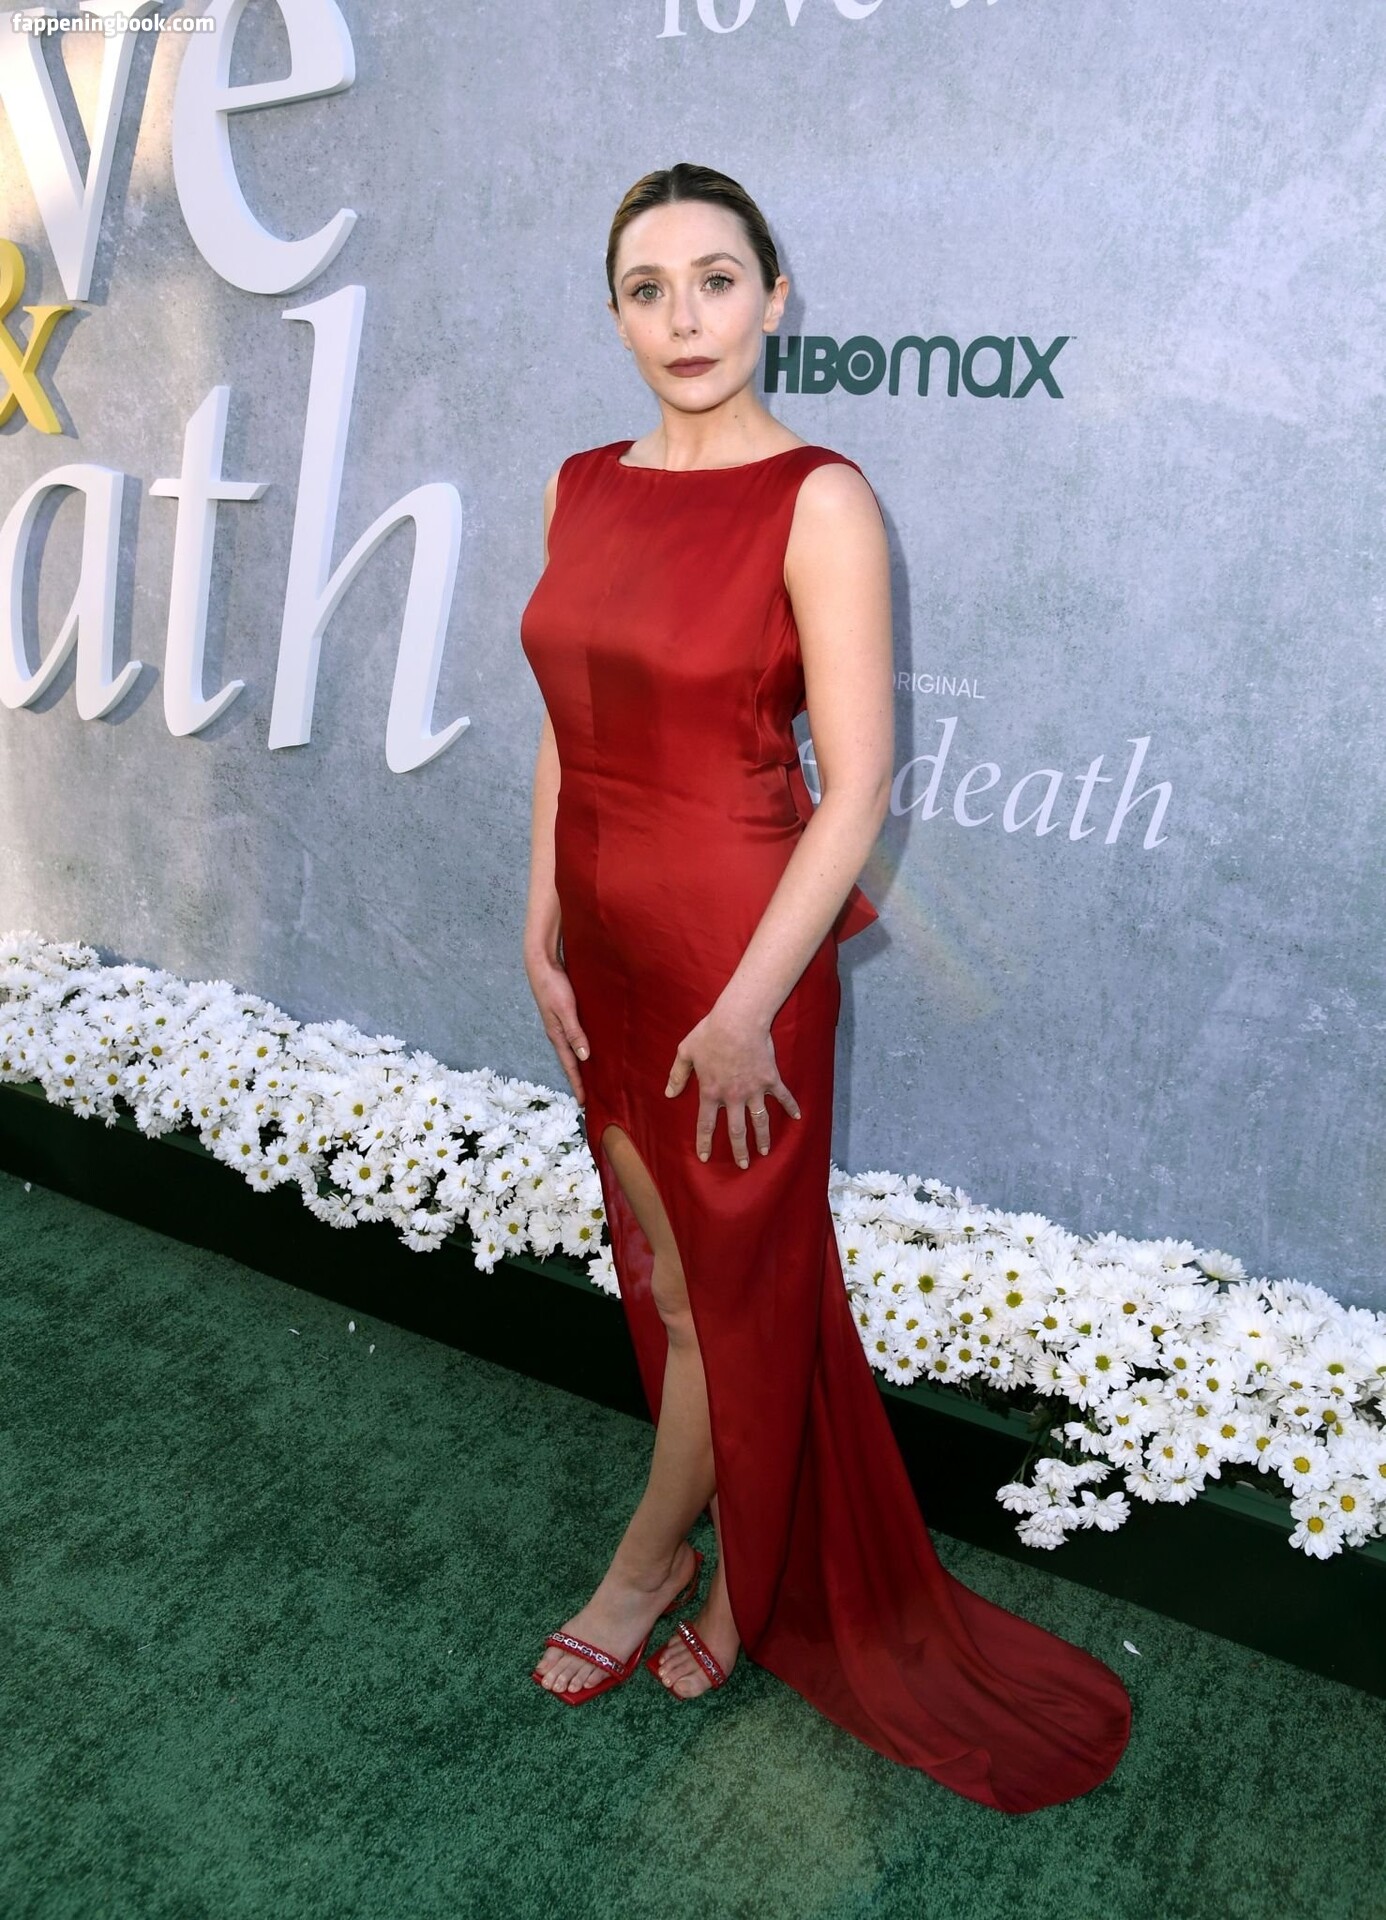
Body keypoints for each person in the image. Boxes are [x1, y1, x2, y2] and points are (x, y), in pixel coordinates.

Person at [518, 163, 1132, 1813]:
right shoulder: (580, 484)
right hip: (606, 945)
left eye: (716, 280)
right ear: (614, 314)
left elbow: (855, 787)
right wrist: (535, 916)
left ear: (774, 297)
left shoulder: (820, 500)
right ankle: (741, 1557)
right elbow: (566, 724)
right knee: (671, 1274)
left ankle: (653, 1567)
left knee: (730, 1294)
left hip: (742, 962)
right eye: (647, 288)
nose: (685, 318)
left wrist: (742, 1006)